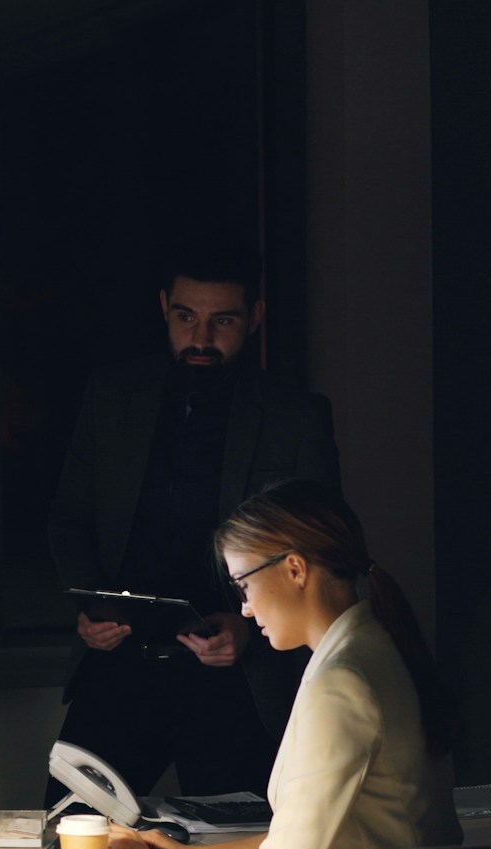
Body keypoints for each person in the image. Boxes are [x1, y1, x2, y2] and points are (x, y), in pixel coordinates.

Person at [46, 247, 339, 804]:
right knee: (65, 839)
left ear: (254, 317)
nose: (201, 337)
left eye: (222, 320)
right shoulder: (113, 398)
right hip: (121, 661)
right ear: (163, 308)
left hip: (240, 678)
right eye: (186, 317)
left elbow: (322, 553)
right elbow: (69, 518)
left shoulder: (294, 416)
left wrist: (251, 628)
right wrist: (88, 609)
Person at [106, 479, 462, 849]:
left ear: (295, 569)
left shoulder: (342, 680)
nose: (245, 608)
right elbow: (299, 844)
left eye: (244, 586)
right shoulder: (376, 646)